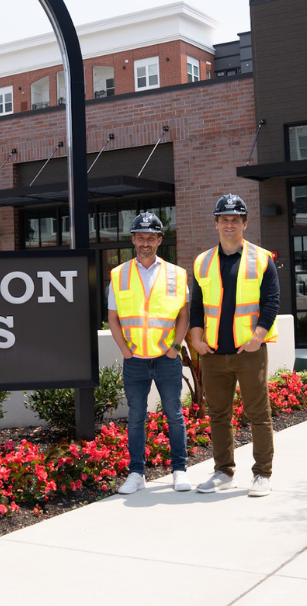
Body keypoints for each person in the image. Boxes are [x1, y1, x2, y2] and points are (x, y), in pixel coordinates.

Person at [188, 193, 280, 497]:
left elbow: (272, 302)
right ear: (216, 223)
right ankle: (223, 472)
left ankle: (262, 474)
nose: (230, 224)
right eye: (224, 219)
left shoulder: (262, 259)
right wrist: (197, 339)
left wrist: (257, 338)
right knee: (218, 416)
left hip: (249, 352)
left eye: (235, 219)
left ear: (245, 223)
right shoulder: (202, 261)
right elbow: (197, 307)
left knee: (258, 414)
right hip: (213, 353)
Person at [108, 212, 192, 495]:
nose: (145, 242)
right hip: (135, 362)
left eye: (151, 237)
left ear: (159, 240)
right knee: (135, 417)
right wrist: (124, 350)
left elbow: (184, 315)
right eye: (140, 237)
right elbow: (113, 317)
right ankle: (136, 473)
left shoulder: (177, 274)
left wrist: (176, 347)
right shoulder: (118, 274)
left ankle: (179, 470)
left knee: (174, 414)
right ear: (133, 239)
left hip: (166, 359)